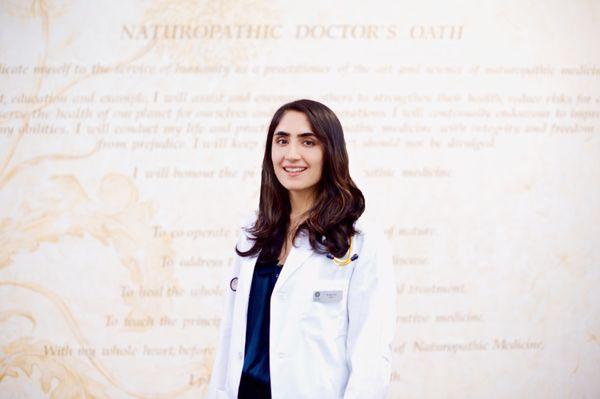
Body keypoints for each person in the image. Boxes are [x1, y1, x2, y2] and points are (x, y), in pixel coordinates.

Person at [207, 99, 396, 399]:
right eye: (282, 140)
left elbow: (371, 356)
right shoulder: (252, 233)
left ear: (330, 152)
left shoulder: (361, 241)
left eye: (308, 142)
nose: (291, 154)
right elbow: (230, 338)